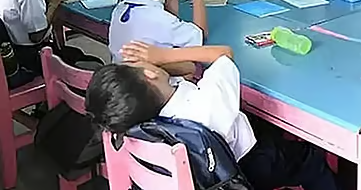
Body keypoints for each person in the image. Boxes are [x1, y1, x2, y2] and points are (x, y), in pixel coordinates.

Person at [85, 45, 343, 190]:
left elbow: (188, 71)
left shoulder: (137, 122)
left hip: (205, 174)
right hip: (248, 168)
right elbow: (223, 54)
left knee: (262, 126)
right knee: (310, 157)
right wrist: (163, 55)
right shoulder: (206, 104)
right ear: (149, 74)